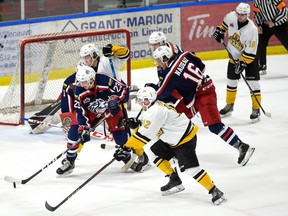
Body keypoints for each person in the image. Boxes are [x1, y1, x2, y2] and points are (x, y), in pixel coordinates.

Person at [115, 86, 227, 205]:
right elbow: (144, 130)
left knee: (191, 169)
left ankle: (214, 190)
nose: (142, 103)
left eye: (145, 100)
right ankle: (174, 179)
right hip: (171, 139)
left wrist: (126, 147)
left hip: (184, 139)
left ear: (151, 99)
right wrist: (135, 125)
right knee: (154, 152)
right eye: (140, 100)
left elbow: (144, 136)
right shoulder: (150, 108)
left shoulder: (156, 111)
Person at [151, 45, 255, 167]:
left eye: (158, 60)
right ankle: (175, 151)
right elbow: (201, 65)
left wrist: (149, 91)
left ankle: (242, 146)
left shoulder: (171, 73)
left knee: (214, 125)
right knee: (176, 117)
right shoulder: (184, 55)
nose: (157, 63)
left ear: (165, 58)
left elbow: (162, 93)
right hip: (198, 92)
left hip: (205, 93)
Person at [56, 65, 131, 175]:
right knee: (74, 131)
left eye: (85, 82)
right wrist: (84, 128)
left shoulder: (105, 80)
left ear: (92, 79)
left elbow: (124, 90)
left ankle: (128, 157)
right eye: (81, 82)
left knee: (120, 135)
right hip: (91, 110)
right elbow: (81, 112)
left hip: (110, 109)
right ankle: (70, 160)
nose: (82, 85)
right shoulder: (79, 90)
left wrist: (116, 100)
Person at [213, 2, 262, 122]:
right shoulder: (230, 17)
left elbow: (251, 50)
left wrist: (243, 62)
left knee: (253, 84)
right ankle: (230, 105)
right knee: (231, 82)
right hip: (233, 57)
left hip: (249, 59)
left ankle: (256, 108)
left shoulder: (252, 30)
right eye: (238, 14)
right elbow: (223, 27)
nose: (240, 17)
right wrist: (220, 33)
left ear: (247, 15)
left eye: (243, 15)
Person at [253, 0, 288, 75]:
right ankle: (262, 65)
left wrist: (274, 21)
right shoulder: (257, 1)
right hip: (266, 26)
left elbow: (284, 10)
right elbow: (257, 13)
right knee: (260, 43)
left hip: (280, 25)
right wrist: (259, 25)